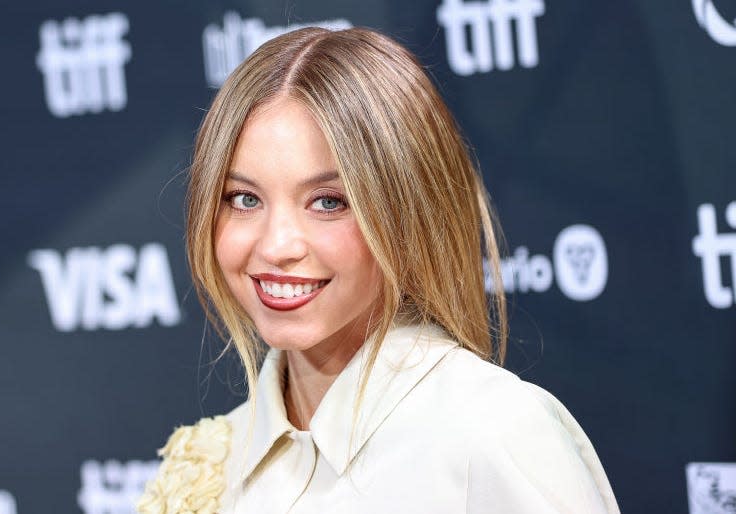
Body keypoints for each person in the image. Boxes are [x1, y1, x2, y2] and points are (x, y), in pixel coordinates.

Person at [137, 26, 620, 513]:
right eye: (244, 199)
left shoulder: (492, 432)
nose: (277, 245)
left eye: (328, 202)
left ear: (410, 211)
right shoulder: (202, 469)